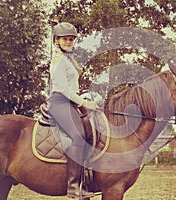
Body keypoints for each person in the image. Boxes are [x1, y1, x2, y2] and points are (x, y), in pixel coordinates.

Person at [48, 22, 98, 198]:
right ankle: (73, 187)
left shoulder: (69, 58)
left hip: (71, 102)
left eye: (71, 39)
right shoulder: (58, 61)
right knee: (79, 136)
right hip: (60, 103)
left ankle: (86, 180)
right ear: (57, 40)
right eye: (65, 39)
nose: (69, 42)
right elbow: (62, 88)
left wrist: (85, 97)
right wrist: (84, 103)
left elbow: (72, 87)